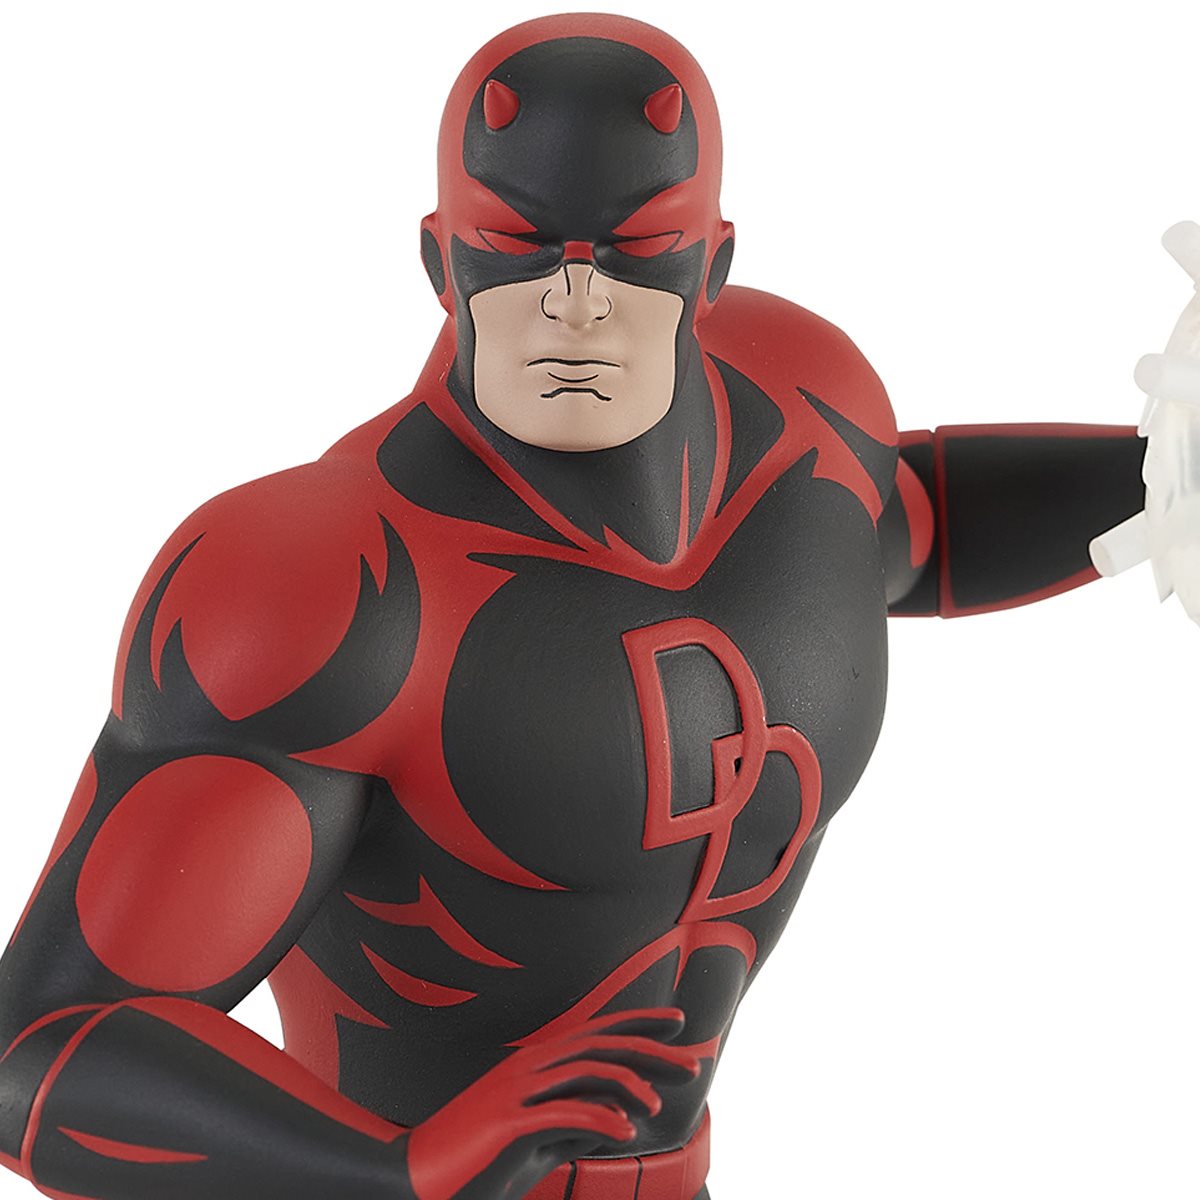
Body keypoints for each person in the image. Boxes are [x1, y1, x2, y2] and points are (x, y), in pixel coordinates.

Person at [0, 13, 1172, 1200]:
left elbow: (916, 528)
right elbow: (40, 1053)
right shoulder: (329, 586)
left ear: (710, 264)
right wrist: (398, 1172)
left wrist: (1169, 472)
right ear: (440, 261)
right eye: (515, 246)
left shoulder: (810, 425)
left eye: (637, 249)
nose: (575, 301)